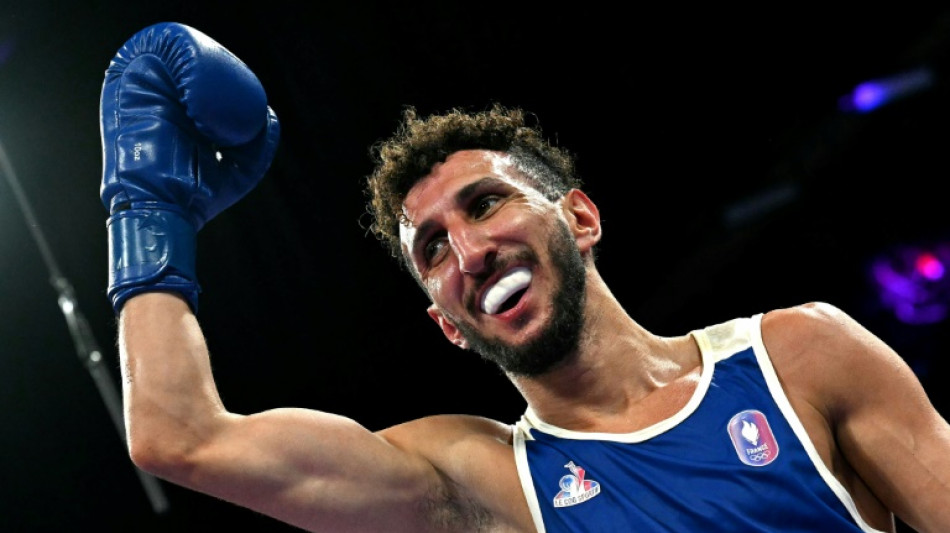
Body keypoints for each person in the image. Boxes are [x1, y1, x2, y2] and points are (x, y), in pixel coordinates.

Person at [100, 22, 950, 533]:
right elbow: (181, 439)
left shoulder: (798, 358)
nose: (468, 253)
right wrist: (147, 206)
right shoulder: (480, 481)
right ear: (445, 321)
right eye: (431, 249)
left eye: (486, 204)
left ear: (579, 217)